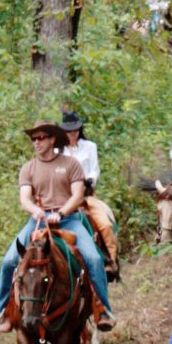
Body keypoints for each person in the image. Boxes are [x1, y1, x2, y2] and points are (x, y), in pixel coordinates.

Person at [0, 120, 115, 333]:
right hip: (37, 221)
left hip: (69, 220)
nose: (37, 142)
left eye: (41, 138)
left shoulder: (71, 165)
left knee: (94, 258)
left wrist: (61, 213)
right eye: (34, 139)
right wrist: (35, 210)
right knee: (9, 261)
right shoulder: (28, 168)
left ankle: (103, 308)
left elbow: (78, 195)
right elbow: (24, 198)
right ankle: (3, 311)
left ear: (52, 140)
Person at [60, 111, 120, 280]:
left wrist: (90, 180)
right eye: (69, 131)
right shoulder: (58, 151)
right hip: (64, 198)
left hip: (86, 196)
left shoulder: (90, 146)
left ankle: (110, 261)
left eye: (76, 130)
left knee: (105, 225)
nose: (73, 134)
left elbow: (94, 168)